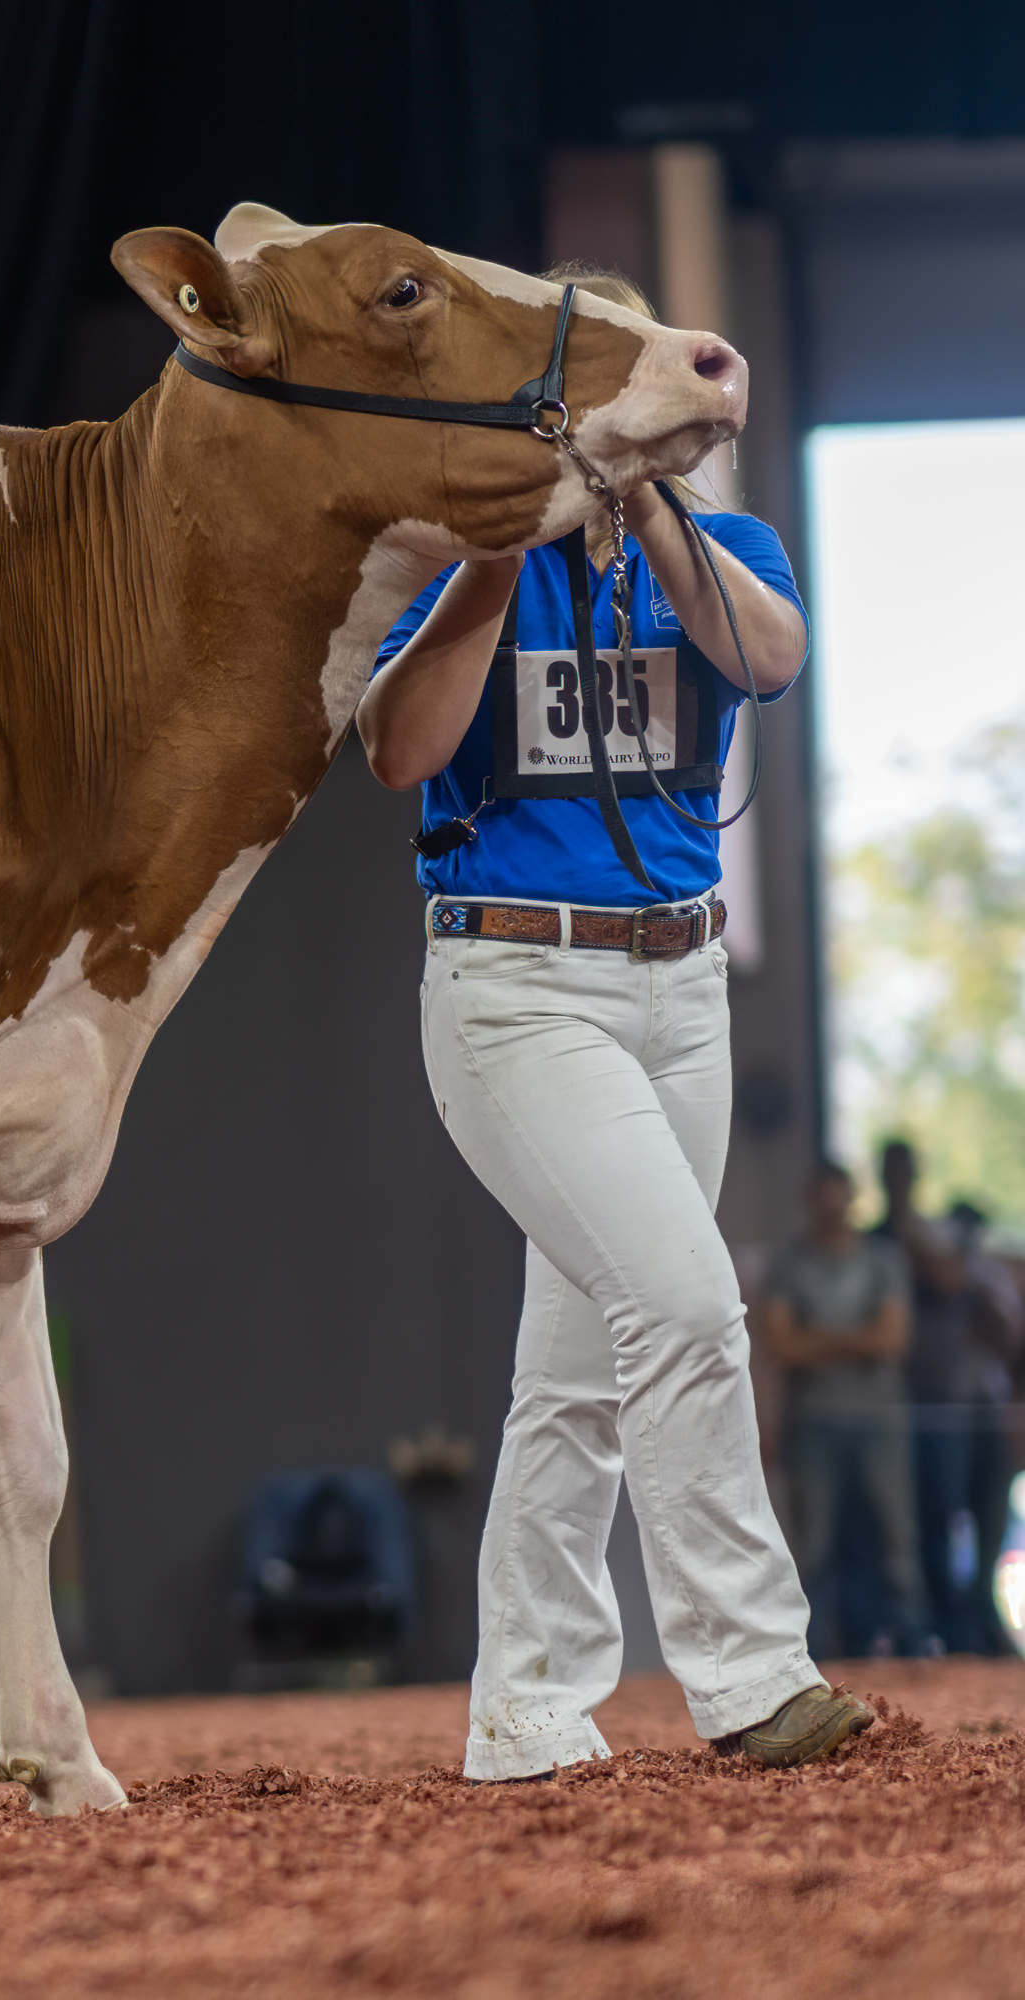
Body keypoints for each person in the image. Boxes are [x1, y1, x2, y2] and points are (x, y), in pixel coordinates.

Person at [358, 261, 870, 1776]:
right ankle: (753, 1671)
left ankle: (525, 1705)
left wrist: (643, 503)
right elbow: (399, 749)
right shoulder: (458, 560)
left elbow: (769, 658)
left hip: (683, 986)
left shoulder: (721, 542)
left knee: (580, 1372)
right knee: (691, 1305)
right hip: (518, 989)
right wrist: (505, 549)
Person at [760, 1164, 928, 1655]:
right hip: (813, 1419)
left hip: (881, 1418)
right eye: (823, 1196)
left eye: (839, 1196)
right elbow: (781, 1346)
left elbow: (892, 1339)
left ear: (852, 1199)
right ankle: (810, 1650)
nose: (832, 1206)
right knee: (813, 1542)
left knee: (896, 1534)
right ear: (809, 1200)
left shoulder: (882, 1259)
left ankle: (912, 1641)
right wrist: (860, 1337)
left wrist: (815, 1337)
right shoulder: (788, 1262)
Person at [877, 1141, 1018, 1653]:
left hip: (984, 1407)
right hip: (934, 1408)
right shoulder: (898, 1246)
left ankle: (981, 1617)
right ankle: (949, 1627)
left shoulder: (982, 1269)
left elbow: (1009, 1332)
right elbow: (941, 1273)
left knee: (990, 1518)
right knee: (937, 1521)